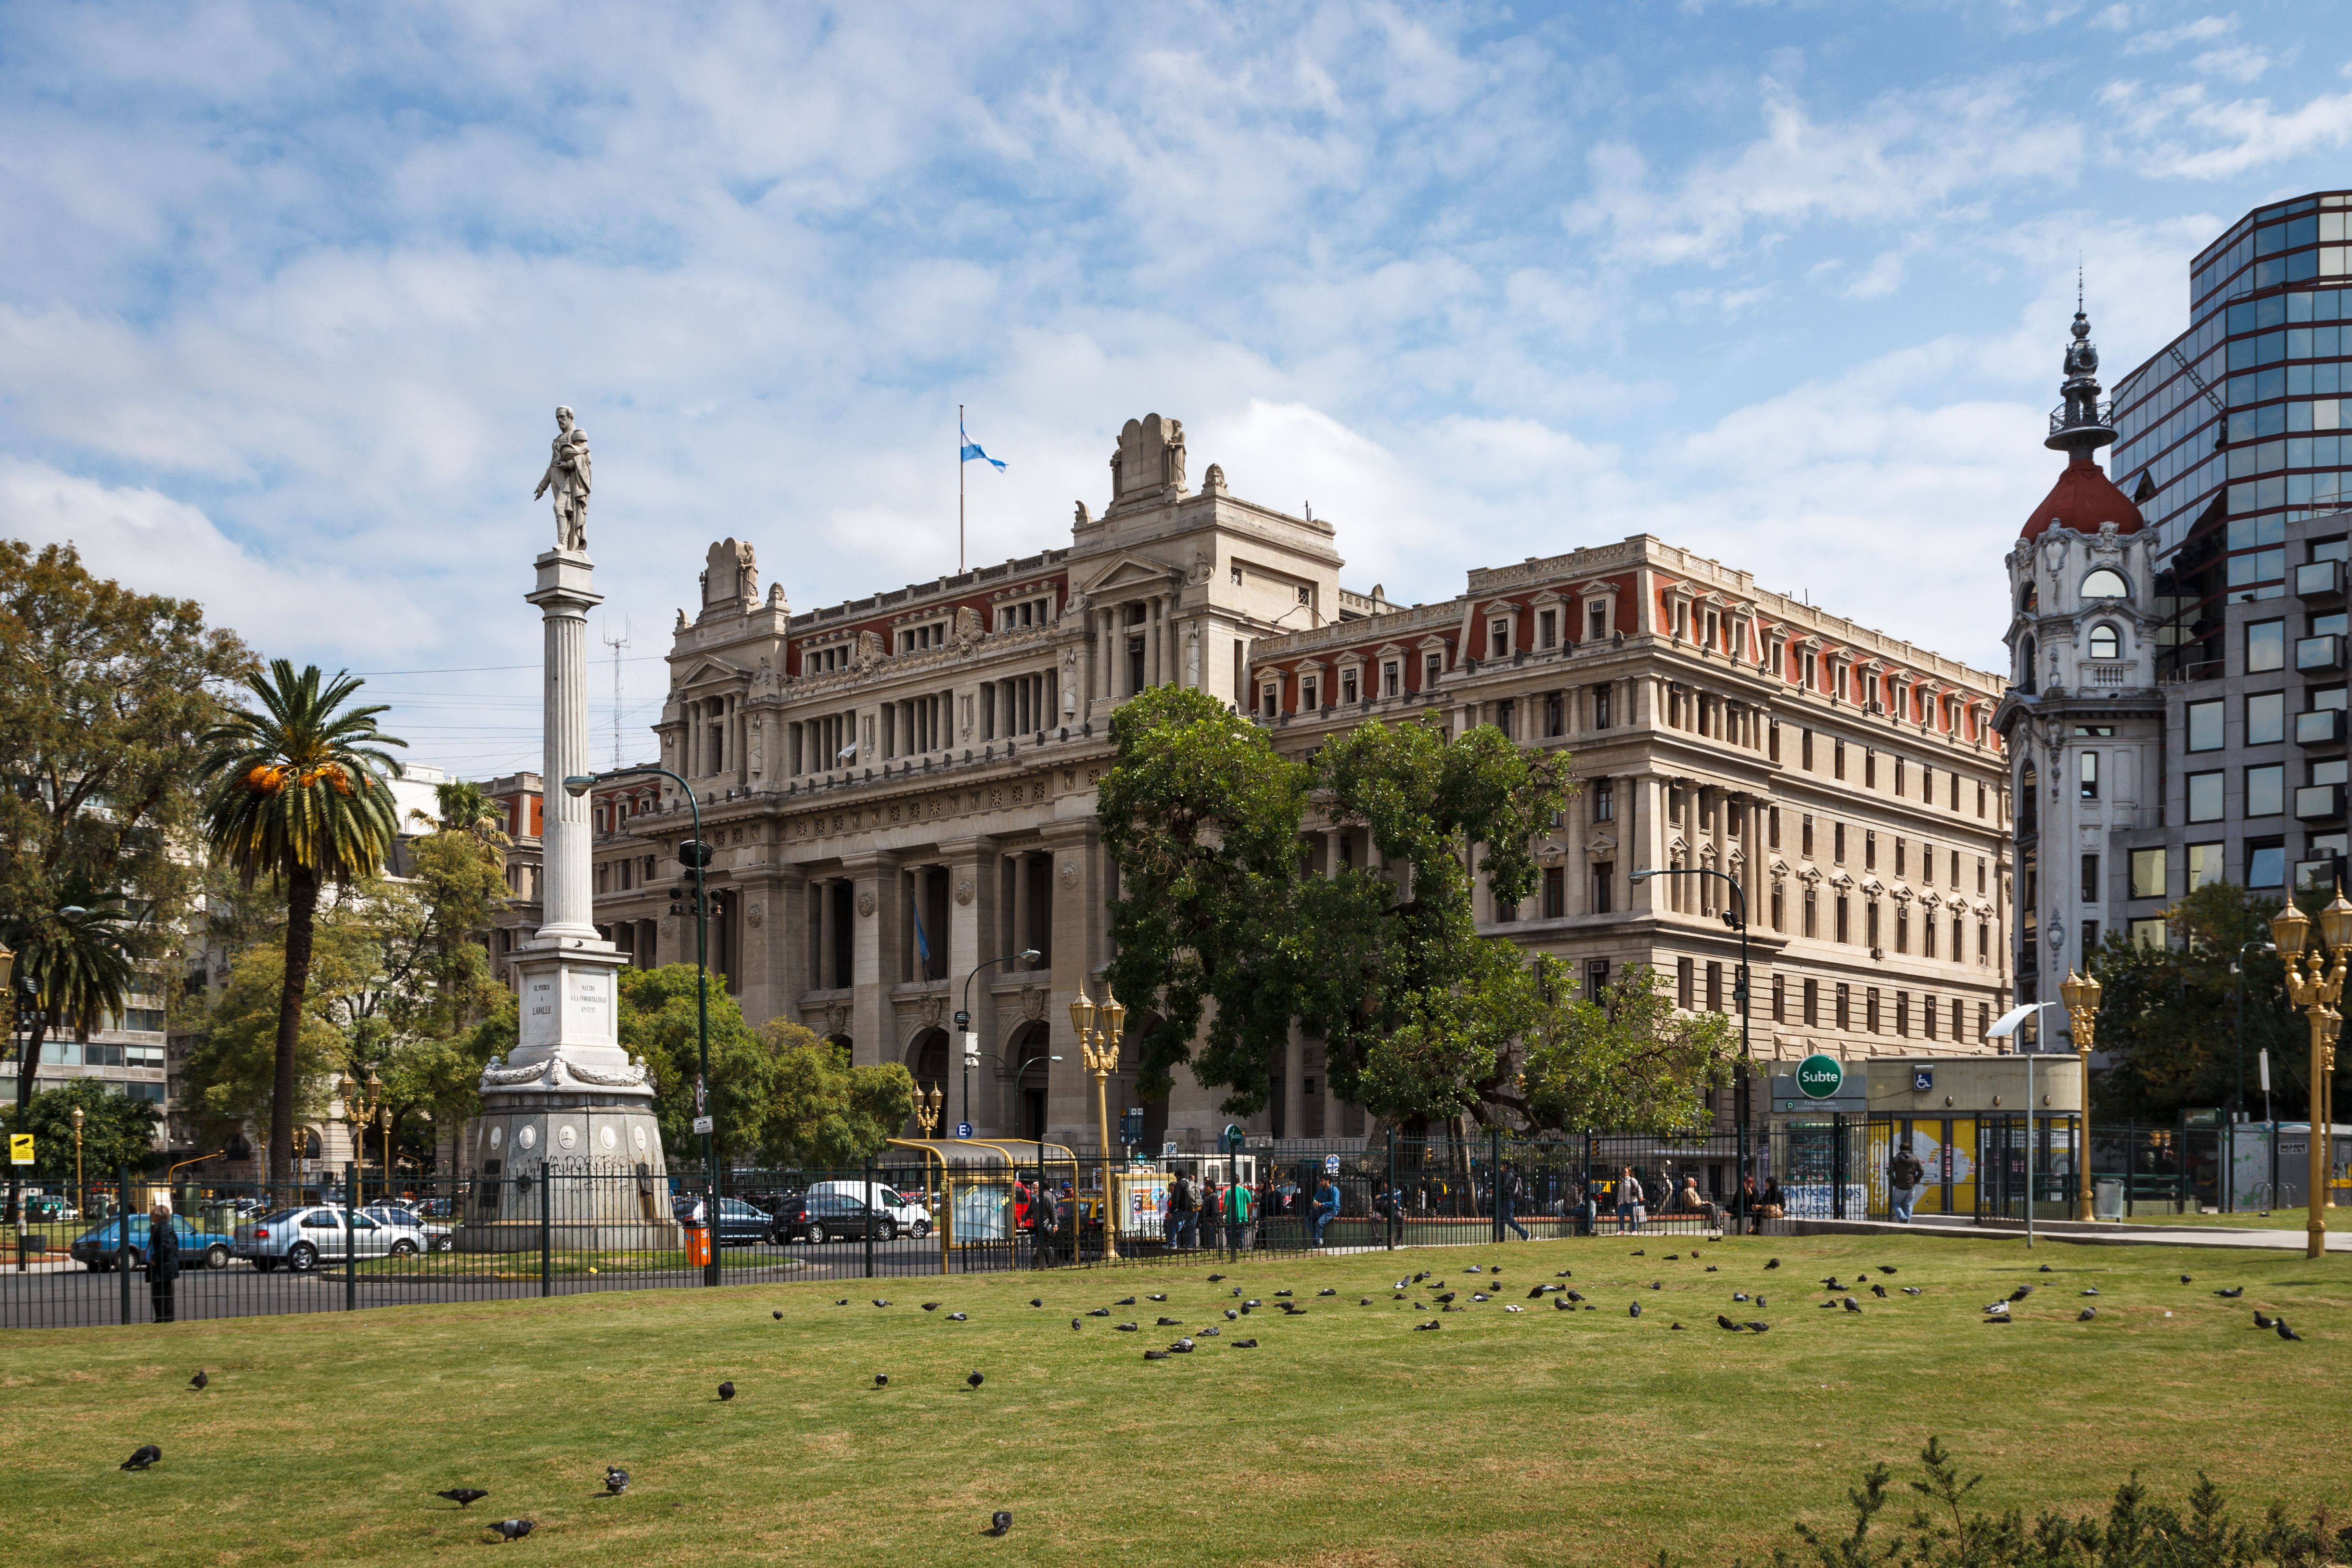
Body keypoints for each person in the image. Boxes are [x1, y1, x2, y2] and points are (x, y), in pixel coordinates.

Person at [143, 1198, 180, 1324]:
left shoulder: (164, 1228)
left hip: (163, 1267)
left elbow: (167, 1247)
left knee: (164, 1294)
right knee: (159, 1294)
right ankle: (161, 1318)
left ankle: (166, 1319)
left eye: (152, 1214)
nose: (151, 1216)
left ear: (158, 1216)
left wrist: (155, 1259)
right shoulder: (160, 1227)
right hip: (160, 1266)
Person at [1889, 1139, 1926, 1224]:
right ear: (1909, 1149)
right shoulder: (1915, 1159)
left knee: (1896, 1204)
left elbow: (1891, 1173)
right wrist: (1915, 1181)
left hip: (1899, 1186)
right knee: (1908, 1206)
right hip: (1910, 1187)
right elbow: (1922, 1172)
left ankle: (1902, 1218)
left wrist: (1894, 1182)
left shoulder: (1895, 1160)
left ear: (1900, 1149)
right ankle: (1906, 1225)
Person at [1498, 1161, 1532, 1240]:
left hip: (1506, 1199)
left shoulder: (1509, 1174)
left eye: (1502, 1166)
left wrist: (1496, 1190)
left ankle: (1525, 1234)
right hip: (1505, 1199)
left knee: (1508, 1219)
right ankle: (1501, 1238)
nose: (1501, 1168)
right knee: (1501, 1220)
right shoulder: (1510, 1174)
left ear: (1506, 1166)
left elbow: (1504, 1187)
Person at [1225, 1172, 1255, 1253]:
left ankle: (1233, 1250)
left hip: (1231, 1217)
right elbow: (1249, 1203)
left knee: (1230, 1235)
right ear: (1239, 1181)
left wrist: (1222, 1216)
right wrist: (1250, 1215)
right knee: (1240, 1235)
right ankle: (1241, 1249)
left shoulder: (1229, 1191)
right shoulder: (1244, 1190)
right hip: (1242, 1217)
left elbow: (1225, 1206)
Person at [1168, 1172, 1198, 1250]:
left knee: (1174, 1225)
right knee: (1191, 1228)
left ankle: (1173, 1244)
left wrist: (1171, 1211)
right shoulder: (1192, 1183)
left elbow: (1176, 1199)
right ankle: (1190, 1246)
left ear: (1179, 1177)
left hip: (1183, 1210)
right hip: (1194, 1210)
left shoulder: (1180, 1184)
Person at [1311, 1177, 1341, 1247]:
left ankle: (1316, 1243)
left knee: (1320, 1222)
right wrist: (1315, 1204)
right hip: (1322, 1209)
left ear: (1328, 1181)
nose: (1320, 1183)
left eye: (1322, 1181)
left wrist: (1322, 1204)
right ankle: (1318, 1238)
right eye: (1320, 1181)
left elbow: (1334, 1203)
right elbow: (1316, 1200)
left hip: (1332, 1210)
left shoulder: (1335, 1190)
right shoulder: (1320, 1191)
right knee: (1308, 1219)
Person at [1615, 1166, 1644, 1233]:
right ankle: (1622, 1230)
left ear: (1629, 1173)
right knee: (1621, 1214)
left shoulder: (1632, 1180)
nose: (1623, 1173)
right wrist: (1618, 1202)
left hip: (1632, 1201)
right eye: (1623, 1172)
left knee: (1633, 1216)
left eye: (1625, 1172)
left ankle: (1634, 1231)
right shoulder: (1622, 1181)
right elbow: (1620, 1192)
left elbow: (1639, 1188)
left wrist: (1641, 1196)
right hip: (1623, 1201)